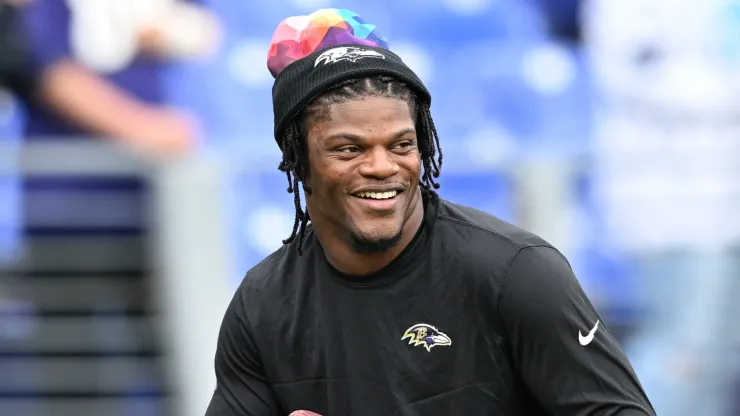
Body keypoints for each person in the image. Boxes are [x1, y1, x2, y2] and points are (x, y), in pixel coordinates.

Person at [206, 8, 654, 416]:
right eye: (348, 149)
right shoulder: (263, 301)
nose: (382, 167)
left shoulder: (516, 272)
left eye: (401, 145)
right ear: (298, 163)